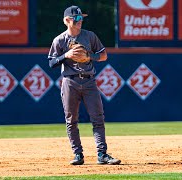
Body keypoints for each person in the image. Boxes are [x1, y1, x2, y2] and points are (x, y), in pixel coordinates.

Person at [47, 5, 121, 165]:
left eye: (82, 18)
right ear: (67, 20)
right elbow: (51, 62)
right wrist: (65, 55)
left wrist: (89, 56)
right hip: (70, 81)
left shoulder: (90, 36)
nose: (80, 21)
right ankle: (77, 154)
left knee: (98, 118)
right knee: (71, 120)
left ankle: (102, 154)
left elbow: (104, 56)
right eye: (77, 18)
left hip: (89, 81)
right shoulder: (59, 40)